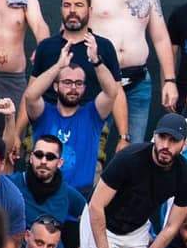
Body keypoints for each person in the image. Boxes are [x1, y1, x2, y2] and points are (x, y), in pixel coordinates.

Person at [83, 115, 187, 248]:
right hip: (100, 223)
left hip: (136, 229)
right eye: (162, 137)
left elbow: (172, 226)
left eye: (173, 140)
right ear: (154, 136)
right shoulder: (129, 157)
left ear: (185, 144)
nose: (166, 145)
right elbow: (96, 206)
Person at [82, 0, 175, 142]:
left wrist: (169, 80)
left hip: (137, 81)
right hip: (100, 79)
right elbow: (73, 27)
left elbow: (160, 38)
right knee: (93, 143)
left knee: (135, 147)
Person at [20, 56, 119, 196]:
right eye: (67, 82)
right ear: (56, 86)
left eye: (78, 83)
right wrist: (58, 66)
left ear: (84, 87)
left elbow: (112, 92)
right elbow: (30, 95)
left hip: (80, 196)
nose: (73, 88)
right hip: (42, 195)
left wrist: (97, 62)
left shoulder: (92, 114)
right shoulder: (44, 113)